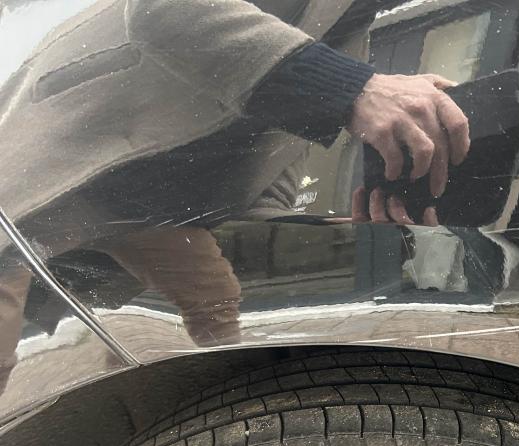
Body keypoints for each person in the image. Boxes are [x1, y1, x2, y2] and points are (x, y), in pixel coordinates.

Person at [0, 0, 471, 392]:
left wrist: (349, 235)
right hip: (63, 165)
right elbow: (163, 9)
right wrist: (354, 89)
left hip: (155, 215)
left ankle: (161, 411)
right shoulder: (339, 54)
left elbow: (276, 166)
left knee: (216, 306)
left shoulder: (347, 29)